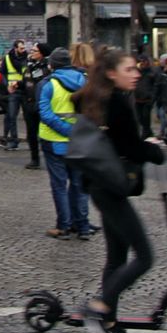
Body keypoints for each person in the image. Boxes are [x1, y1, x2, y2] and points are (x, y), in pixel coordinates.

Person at [75, 47, 166, 333]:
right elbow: (132, 148)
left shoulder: (97, 98)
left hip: (102, 185)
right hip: (111, 189)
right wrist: (154, 150)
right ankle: (100, 306)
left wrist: (139, 143)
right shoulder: (115, 102)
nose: (137, 73)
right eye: (129, 69)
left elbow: (118, 141)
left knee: (117, 257)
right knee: (145, 257)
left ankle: (108, 322)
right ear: (112, 73)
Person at [37, 48, 93, 240]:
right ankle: (83, 226)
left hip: (54, 141)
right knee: (79, 185)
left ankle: (64, 226)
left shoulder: (49, 84)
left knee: (59, 185)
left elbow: (45, 114)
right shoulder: (84, 82)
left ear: (52, 65)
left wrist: (64, 130)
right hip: (79, 141)